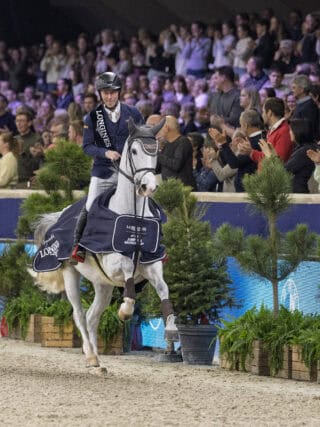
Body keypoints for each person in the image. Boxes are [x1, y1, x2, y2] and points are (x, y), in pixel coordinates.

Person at [70, 71, 143, 264]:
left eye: (112, 92)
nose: (109, 96)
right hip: (103, 171)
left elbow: (142, 136)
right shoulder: (92, 118)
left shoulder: (133, 113)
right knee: (90, 204)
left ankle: (154, 245)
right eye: (105, 93)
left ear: (119, 92)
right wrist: (105, 153)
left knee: (146, 199)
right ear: (100, 94)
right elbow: (87, 146)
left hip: (128, 171)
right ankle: (79, 246)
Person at [239, 97, 293, 168]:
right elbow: (267, 156)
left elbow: (277, 162)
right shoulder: (273, 130)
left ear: (269, 113)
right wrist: (251, 152)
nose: (262, 115)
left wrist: (251, 152)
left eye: (263, 112)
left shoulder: (284, 131)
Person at [156, 115, 196, 189]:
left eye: (160, 127)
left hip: (183, 190)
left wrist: (157, 155)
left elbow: (176, 165)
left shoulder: (183, 142)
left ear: (166, 128)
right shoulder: (166, 144)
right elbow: (158, 168)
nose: (158, 130)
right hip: (170, 190)